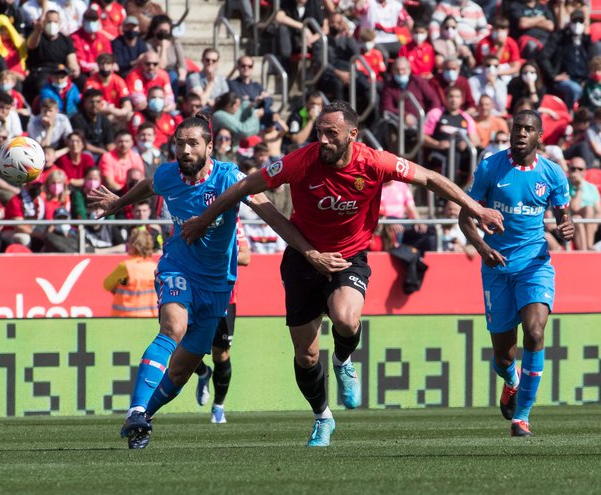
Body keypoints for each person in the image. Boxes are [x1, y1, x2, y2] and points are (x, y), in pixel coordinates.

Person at [181, 100, 504, 447]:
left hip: (349, 256)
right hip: (302, 258)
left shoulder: (374, 162)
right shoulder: (299, 162)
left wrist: (476, 207)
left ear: (353, 134)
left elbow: (429, 177)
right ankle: (322, 417)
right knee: (305, 355)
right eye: (319, 131)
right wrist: (203, 219)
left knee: (346, 320)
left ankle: (343, 359)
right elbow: (245, 186)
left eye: (331, 133)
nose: (322, 139)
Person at [87, 112, 310, 449]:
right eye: (180, 144)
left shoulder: (230, 179)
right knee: (173, 327)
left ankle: (143, 418)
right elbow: (149, 185)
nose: (185, 150)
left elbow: (273, 217)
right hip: (177, 266)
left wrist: (309, 252)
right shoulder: (168, 175)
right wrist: (119, 203)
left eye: (193, 143)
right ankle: (134, 409)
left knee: (182, 369)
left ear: (209, 147)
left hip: (219, 284)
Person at [458, 109, 574, 437]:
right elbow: (465, 217)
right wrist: (483, 249)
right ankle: (511, 380)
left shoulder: (553, 174)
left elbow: (565, 214)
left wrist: (567, 225)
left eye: (528, 129)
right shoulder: (490, 167)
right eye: (517, 128)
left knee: (535, 334)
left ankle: (522, 417)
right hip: (496, 268)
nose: (521, 133)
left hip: (534, 265)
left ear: (540, 137)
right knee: (503, 356)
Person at [193, 218, 251, 424]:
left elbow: (245, 257)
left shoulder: (233, 222)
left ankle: (218, 406)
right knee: (182, 341)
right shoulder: (191, 213)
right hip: (194, 290)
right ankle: (202, 372)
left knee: (221, 353)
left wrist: (214, 254)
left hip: (225, 296)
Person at [103, 228, 158, 317]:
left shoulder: (126, 267)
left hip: (126, 319)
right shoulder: (155, 267)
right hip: (150, 318)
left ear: (133, 246)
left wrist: (121, 282)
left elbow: (107, 284)